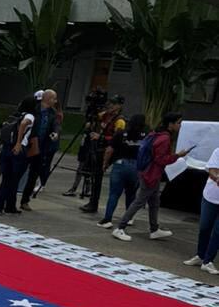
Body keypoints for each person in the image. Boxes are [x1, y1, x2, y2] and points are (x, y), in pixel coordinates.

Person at [113, 113, 189, 242]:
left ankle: (154, 229)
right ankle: (120, 227)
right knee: (139, 201)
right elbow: (160, 159)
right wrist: (177, 155)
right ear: (170, 124)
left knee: (154, 202)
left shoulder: (156, 133)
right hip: (151, 174)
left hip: (150, 173)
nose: (180, 125)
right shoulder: (165, 138)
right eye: (178, 123)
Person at [97, 114, 146, 228]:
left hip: (120, 164)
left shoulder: (121, 133)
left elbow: (110, 150)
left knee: (114, 193)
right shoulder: (145, 135)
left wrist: (105, 164)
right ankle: (128, 218)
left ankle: (107, 219)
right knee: (131, 193)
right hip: (136, 166)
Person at [81, 94, 126, 213]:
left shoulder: (120, 121)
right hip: (99, 148)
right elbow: (97, 120)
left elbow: (118, 139)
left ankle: (94, 203)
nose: (110, 105)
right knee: (95, 176)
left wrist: (101, 137)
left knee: (98, 175)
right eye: (110, 102)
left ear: (119, 106)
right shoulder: (105, 115)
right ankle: (92, 201)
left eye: (114, 103)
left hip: (109, 150)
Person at [0, 96, 36, 216]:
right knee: (14, 179)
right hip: (18, 149)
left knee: (6, 179)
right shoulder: (30, 116)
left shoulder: (16, 114)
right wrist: (18, 142)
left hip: (6, 148)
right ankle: (9, 206)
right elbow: (24, 124)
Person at [20, 89, 59, 211]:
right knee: (19, 170)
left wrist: (55, 133)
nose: (55, 101)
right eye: (54, 98)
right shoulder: (34, 109)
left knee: (34, 174)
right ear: (47, 99)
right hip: (29, 143)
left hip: (41, 147)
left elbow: (56, 125)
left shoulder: (52, 112)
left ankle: (25, 200)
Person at [183, 146, 219, 274]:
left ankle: (208, 261)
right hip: (210, 196)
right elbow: (212, 170)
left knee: (217, 232)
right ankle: (200, 255)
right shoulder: (218, 151)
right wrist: (217, 178)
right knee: (204, 227)